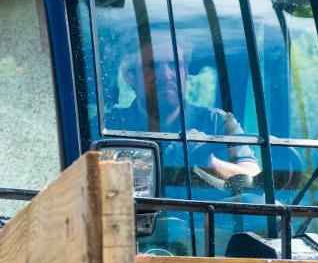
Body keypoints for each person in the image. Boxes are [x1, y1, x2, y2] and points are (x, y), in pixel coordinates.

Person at [105, 38, 261, 184]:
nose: (166, 75)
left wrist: (208, 162)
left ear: (185, 71)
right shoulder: (108, 127)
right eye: (152, 66)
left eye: (174, 65)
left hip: (208, 214)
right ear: (129, 75)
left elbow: (254, 178)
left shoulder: (217, 123)